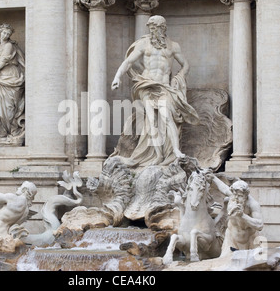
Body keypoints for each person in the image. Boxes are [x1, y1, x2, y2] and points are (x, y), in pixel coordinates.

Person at [111, 15, 200, 168]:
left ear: (163, 28)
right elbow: (128, 62)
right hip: (147, 84)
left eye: (156, 28)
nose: (153, 31)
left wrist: (178, 78)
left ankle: (176, 151)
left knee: (166, 117)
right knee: (151, 120)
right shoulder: (143, 44)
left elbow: (186, 65)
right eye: (151, 28)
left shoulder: (173, 46)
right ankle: (158, 155)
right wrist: (117, 77)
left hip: (164, 86)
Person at [207, 175, 264, 256]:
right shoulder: (233, 196)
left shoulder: (253, 204)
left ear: (245, 195)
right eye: (235, 195)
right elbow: (223, 188)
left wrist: (242, 215)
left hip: (250, 240)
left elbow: (260, 225)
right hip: (231, 239)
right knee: (224, 262)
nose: (236, 198)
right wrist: (213, 178)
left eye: (240, 196)